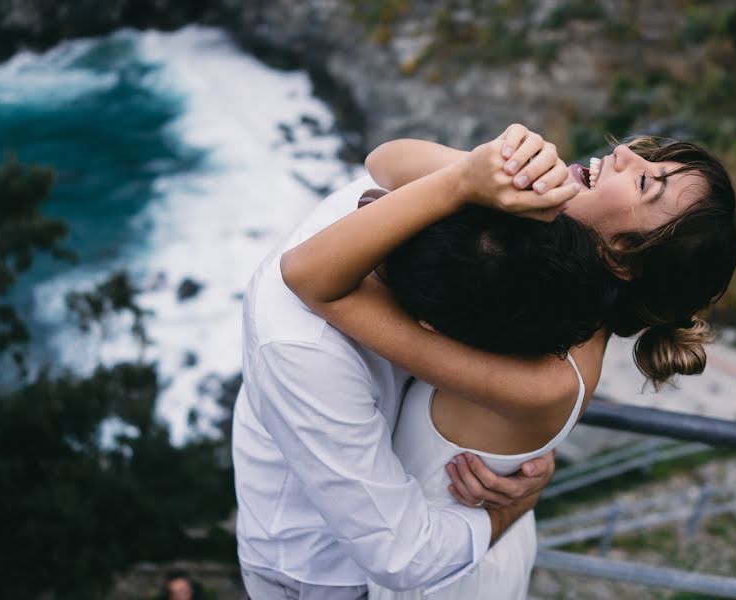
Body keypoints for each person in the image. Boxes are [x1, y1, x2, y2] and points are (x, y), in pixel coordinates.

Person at [280, 125, 736, 598]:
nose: (625, 153)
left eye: (646, 184)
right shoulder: (543, 270)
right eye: (652, 162)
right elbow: (384, 159)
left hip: (449, 572)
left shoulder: (546, 375)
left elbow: (309, 277)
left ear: (625, 256)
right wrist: (485, 169)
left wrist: (513, 506)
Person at [232, 130, 575, 599]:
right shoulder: (302, 346)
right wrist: (515, 506)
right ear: (428, 328)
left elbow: (389, 159)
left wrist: (521, 445)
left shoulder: (450, 230)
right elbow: (405, 555)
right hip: (319, 573)